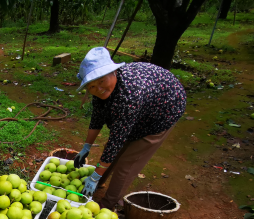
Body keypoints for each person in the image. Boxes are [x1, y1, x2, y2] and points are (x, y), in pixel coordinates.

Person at [74, 47, 187, 210]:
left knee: (127, 162)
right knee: (115, 148)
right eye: (91, 86)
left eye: (101, 81)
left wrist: (95, 175)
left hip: (163, 110)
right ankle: (98, 181)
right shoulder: (102, 92)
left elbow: (116, 139)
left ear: (113, 72)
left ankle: (108, 203)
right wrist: (86, 147)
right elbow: (97, 118)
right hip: (141, 108)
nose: (98, 88)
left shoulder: (130, 94)